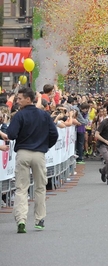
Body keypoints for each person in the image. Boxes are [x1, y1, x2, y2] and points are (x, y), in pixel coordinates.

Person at [6, 87, 59, 233]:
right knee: (40, 187)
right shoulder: (44, 115)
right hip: (39, 153)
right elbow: (54, 133)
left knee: (21, 188)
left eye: (19, 98)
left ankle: (21, 219)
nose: (17, 101)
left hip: (23, 152)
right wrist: (45, 145)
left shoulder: (19, 115)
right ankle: (39, 219)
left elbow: (11, 134)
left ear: (28, 99)